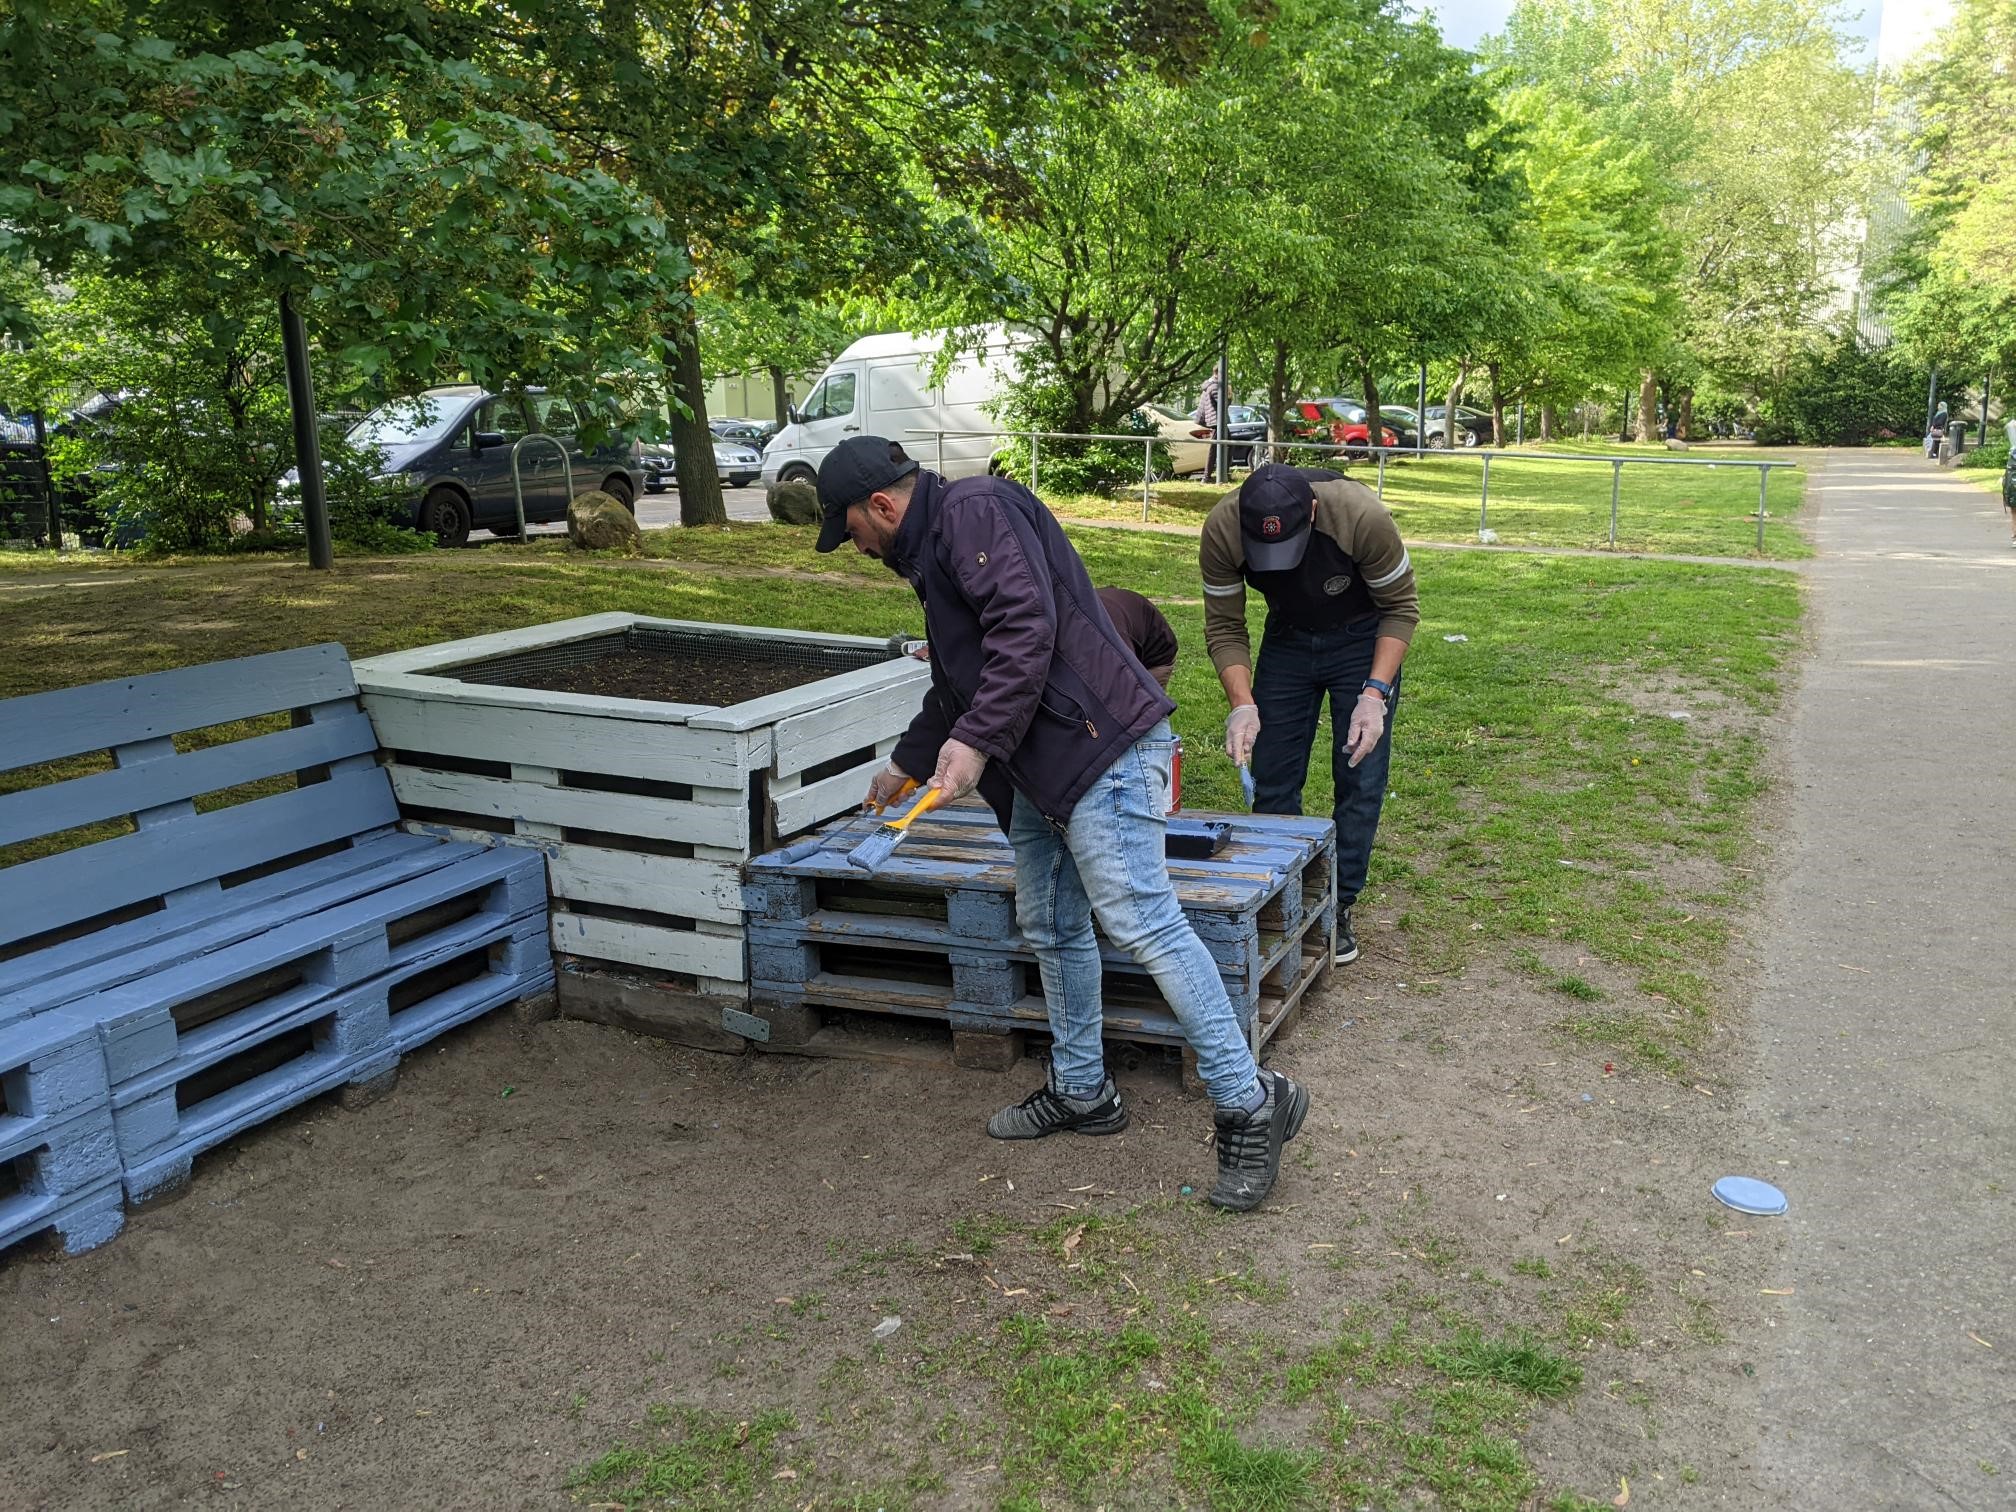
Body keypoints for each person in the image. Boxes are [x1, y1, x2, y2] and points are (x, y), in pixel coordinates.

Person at [816, 436, 1309, 1212]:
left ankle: (1250, 1102)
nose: (856, 546)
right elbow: (961, 682)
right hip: (1042, 766)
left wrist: (975, 744)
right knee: (1050, 922)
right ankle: (1083, 1090)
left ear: (880, 505)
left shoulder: (974, 512)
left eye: (850, 530)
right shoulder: (937, 551)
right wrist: (907, 764)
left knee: (1144, 921)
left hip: (1102, 749)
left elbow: (1026, 630)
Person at [1201, 463, 1419, 966]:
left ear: (1314, 511)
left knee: (1359, 773)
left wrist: (1375, 694)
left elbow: (1401, 609)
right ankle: (1281, 894)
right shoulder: (1223, 528)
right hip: (1289, 637)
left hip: (1363, 636)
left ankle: (1337, 903)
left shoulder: (1361, 517)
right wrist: (1242, 704)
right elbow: (1225, 626)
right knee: (1273, 773)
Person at [905, 585, 1178, 690]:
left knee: (1138, 719)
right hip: (1110, 618)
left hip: (1154, 657)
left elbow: (1119, 699)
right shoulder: (1034, 621)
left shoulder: (1105, 650)